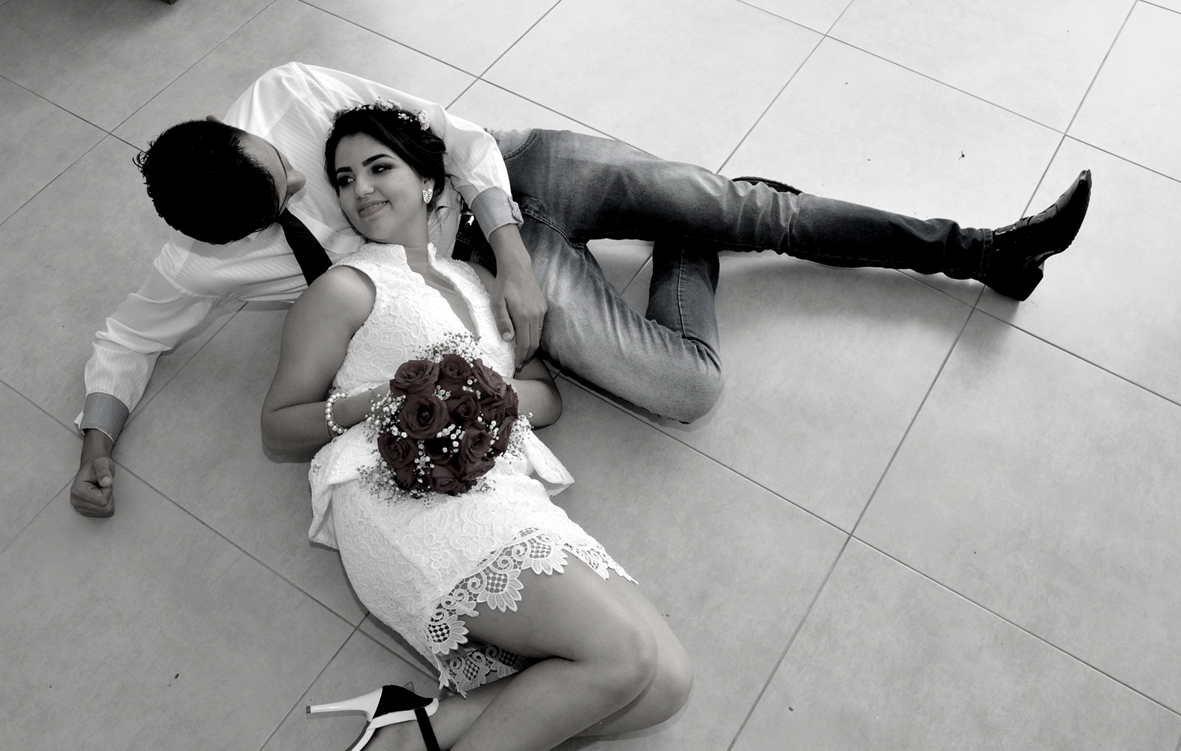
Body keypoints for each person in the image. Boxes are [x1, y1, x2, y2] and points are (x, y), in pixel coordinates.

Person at [71, 62, 1092, 518]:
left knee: (757, 214)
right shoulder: (198, 262)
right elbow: (127, 340)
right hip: (470, 274)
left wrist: (515, 252)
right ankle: (688, 234)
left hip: (510, 178)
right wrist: (97, 446)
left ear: (240, 133)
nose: (310, 191)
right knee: (683, 386)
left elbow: (457, 139)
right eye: (286, 205)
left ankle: (981, 250)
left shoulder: (288, 90)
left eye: (287, 172)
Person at [261, 103, 693, 751]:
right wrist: (391, 396)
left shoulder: (480, 280)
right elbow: (280, 424)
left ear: (431, 181)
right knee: (623, 657)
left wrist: (476, 393)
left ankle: (410, 733)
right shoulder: (347, 287)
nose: (360, 189)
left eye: (379, 167)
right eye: (344, 179)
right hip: (399, 498)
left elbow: (545, 399)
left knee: (662, 687)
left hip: (500, 488)